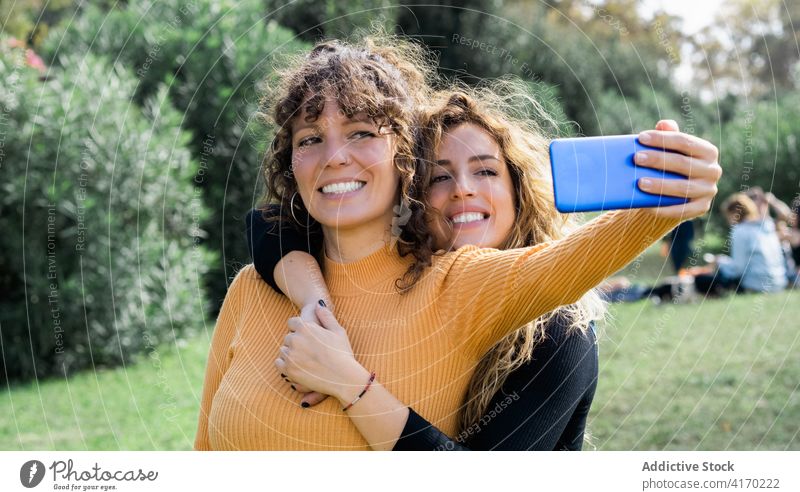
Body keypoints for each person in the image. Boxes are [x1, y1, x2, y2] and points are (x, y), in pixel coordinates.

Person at [194, 36, 721, 451]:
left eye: (360, 132)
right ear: (291, 163)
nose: (333, 155)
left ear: (407, 156)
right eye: (309, 139)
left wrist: (667, 197)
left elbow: (570, 261)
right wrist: (315, 303)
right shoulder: (253, 288)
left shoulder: (459, 283)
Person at [246, 87, 608, 450]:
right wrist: (316, 301)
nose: (463, 190)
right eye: (438, 177)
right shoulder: (412, 283)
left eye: (485, 171)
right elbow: (265, 222)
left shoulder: (558, 329)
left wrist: (347, 381)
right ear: (411, 196)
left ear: (519, 191)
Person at [694, 193, 787, 296]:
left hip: (756, 285)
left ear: (734, 214)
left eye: (728, 216)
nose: (728, 221)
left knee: (700, 280)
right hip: (779, 283)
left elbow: (738, 270)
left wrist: (719, 261)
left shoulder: (740, 230)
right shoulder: (768, 226)